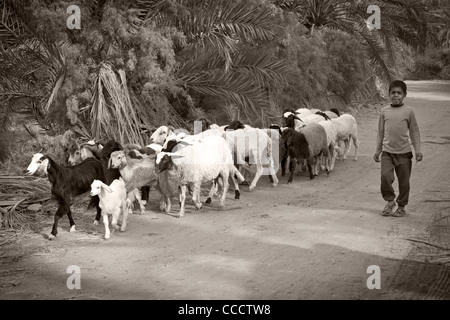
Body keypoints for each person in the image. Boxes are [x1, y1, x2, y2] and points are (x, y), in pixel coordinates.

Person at [373, 80, 423, 217]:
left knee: (404, 182)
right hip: (387, 153)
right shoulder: (384, 111)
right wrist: (378, 150)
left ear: (404, 95)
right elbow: (380, 133)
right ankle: (390, 200)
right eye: (393, 93)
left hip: (404, 154)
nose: (395, 95)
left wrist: (418, 150)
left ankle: (401, 206)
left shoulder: (409, 111)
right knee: (385, 177)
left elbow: (414, 132)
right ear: (389, 94)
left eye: (399, 93)